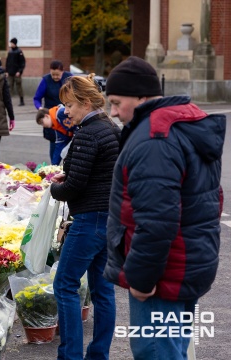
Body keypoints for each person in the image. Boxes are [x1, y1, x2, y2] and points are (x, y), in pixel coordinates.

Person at [104, 56, 225, 359]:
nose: (113, 112)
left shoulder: (155, 138)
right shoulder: (183, 122)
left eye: (117, 102)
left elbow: (157, 222)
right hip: (187, 265)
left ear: (142, 97)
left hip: (161, 277)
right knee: (173, 350)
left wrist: (142, 281)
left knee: (156, 352)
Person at [49, 74, 120, 360]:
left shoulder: (88, 133)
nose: (66, 110)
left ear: (86, 102)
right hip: (110, 220)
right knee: (103, 290)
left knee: (64, 285)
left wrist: (55, 187)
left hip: (89, 220)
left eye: (70, 104)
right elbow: (104, 174)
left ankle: (70, 355)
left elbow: (74, 186)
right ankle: (98, 354)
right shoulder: (112, 129)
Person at [33, 60, 74, 164]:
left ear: (62, 71)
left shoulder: (69, 78)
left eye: (58, 74)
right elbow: (37, 98)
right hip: (51, 117)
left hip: (67, 114)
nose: (55, 77)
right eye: (53, 74)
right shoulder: (46, 80)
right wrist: (40, 108)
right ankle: (54, 166)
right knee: (55, 144)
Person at [6, 37, 26, 106]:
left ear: (14, 43)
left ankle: (21, 100)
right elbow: (7, 62)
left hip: (17, 72)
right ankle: (8, 100)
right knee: (9, 87)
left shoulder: (19, 51)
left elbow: (22, 63)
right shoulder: (10, 52)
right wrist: (7, 71)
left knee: (18, 87)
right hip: (10, 72)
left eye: (11, 43)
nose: (11, 44)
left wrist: (19, 71)